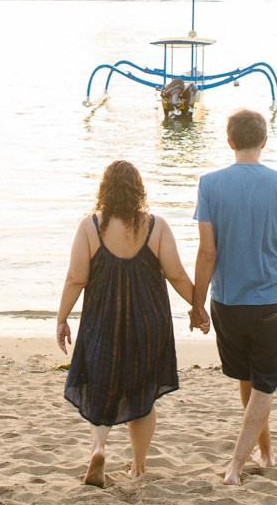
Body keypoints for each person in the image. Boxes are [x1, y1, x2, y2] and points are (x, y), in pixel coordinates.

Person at [190, 107, 277, 484]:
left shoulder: (210, 183)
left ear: (229, 140)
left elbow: (206, 252)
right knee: (264, 384)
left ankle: (265, 453)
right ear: (264, 141)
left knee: (249, 380)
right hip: (272, 302)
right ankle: (236, 465)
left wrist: (197, 302)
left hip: (228, 303)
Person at [57, 159, 196, 485]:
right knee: (142, 393)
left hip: (102, 321)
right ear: (139, 190)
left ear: (104, 190)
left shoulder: (90, 227)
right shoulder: (156, 226)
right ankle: (138, 466)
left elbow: (77, 278)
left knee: (102, 387)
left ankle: (99, 448)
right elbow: (176, 274)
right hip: (148, 322)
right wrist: (199, 306)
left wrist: (61, 318)